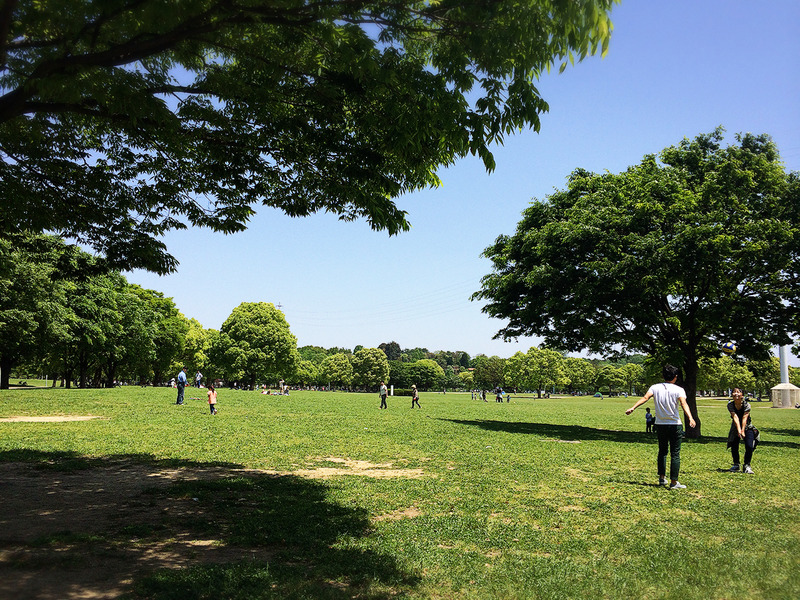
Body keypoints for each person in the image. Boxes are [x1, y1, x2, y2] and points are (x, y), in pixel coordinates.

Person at [625, 364, 696, 489]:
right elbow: (684, 404)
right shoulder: (679, 389)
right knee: (675, 453)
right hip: (675, 425)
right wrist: (690, 417)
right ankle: (674, 482)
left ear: (663, 376)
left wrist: (633, 407)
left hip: (660, 424)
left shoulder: (655, 387)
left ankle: (662, 478)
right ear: (675, 377)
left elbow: (645, 398)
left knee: (662, 451)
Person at [727, 388, 758, 473]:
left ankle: (747, 465)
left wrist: (743, 430)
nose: (736, 394)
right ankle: (736, 465)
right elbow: (735, 417)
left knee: (749, 446)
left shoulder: (747, 405)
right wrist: (738, 430)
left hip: (747, 427)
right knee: (734, 445)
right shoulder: (730, 405)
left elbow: (745, 418)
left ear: (742, 395)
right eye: (734, 392)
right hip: (735, 427)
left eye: (738, 392)